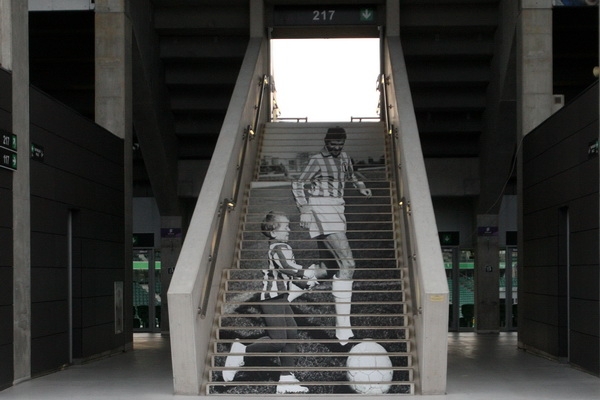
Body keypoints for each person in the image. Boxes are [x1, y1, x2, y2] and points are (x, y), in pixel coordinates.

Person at [291, 126, 372, 345]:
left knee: (328, 269)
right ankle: (344, 334)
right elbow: (298, 183)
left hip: (338, 209)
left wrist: (360, 186)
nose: (336, 148)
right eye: (332, 144)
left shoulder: (344, 157)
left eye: (340, 144)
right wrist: (305, 209)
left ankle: (283, 297)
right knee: (348, 264)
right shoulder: (317, 159)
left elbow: (351, 173)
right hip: (322, 209)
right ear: (326, 141)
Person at [223, 211, 318, 393]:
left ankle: (286, 379)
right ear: (273, 232)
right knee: (278, 340)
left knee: (292, 334)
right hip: (271, 299)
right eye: (285, 227)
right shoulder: (278, 248)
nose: (290, 230)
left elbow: (289, 273)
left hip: (280, 298)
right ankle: (241, 352)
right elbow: (289, 269)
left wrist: (305, 283)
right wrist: (308, 274)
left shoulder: (283, 247)